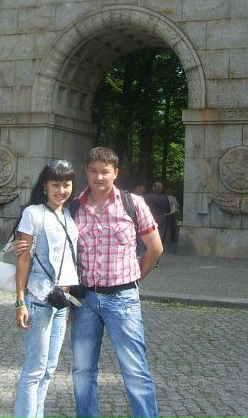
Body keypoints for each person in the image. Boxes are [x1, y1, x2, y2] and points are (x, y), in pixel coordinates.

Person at [71, 147, 163, 418]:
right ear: (86, 172)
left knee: (134, 369)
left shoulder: (132, 204)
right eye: (93, 171)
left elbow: (155, 248)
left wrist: (133, 279)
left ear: (116, 173)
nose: (99, 177)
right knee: (82, 369)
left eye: (105, 171)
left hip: (123, 298)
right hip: (85, 300)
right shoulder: (74, 206)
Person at [14, 159, 79, 418]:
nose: (61, 190)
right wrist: (19, 301)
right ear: (45, 186)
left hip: (61, 300)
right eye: (56, 185)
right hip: (38, 298)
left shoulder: (69, 215)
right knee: (34, 370)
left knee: (49, 368)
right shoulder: (33, 213)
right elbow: (23, 260)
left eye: (66, 185)